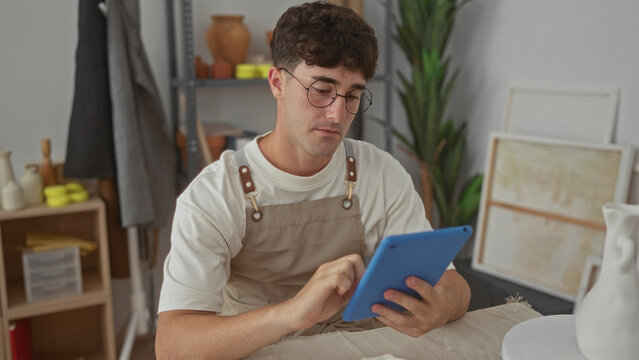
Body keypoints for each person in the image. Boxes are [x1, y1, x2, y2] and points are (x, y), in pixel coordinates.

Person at [155, 2, 471, 359]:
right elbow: (172, 346)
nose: (338, 113)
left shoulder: (380, 172)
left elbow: (452, 283)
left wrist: (442, 304)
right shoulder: (214, 195)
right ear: (277, 83)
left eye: (352, 95)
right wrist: (292, 313)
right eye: (321, 89)